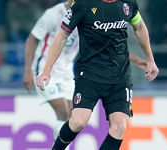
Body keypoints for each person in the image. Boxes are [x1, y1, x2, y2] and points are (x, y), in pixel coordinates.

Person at [36, 0, 159, 149]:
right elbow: (62, 35)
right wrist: (47, 69)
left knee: (119, 127)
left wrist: (150, 60)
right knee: (78, 122)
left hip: (120, 75)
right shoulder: (83, 4)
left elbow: (139, 27)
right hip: (89, 73)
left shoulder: (128, 3)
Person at [23, 0, 79, 140]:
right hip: (45, 70)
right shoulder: (53, 14)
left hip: (67, 73)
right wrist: (28, 71)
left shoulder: (86, 16)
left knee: (73, 116)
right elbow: (32, 39)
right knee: (62, 110)